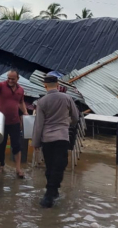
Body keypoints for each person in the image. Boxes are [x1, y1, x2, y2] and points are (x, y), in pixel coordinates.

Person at [32, 75, 79, 208]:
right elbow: (75, 117)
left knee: (50, 165)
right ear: (58, 84)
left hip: (47, 138)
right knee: (59, 165)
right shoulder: (67, 98)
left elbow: (39, 124)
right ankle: (51, 193)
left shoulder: (41, 102)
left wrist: (35, 142)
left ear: (45, 85)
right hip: (62, 137)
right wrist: (67, 123)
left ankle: (51, 193)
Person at [0, 69, 28, 178]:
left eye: (12, 79)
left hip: (15, 121)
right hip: (1, 121)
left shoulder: (21, 90)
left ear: (17, 79)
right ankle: (0, 166)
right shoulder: (1, 85)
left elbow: (21, 102)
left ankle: (18, 169)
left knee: (17, 145)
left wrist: (25, 112)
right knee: (0, 144)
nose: (10, 80)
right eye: (8, 78)